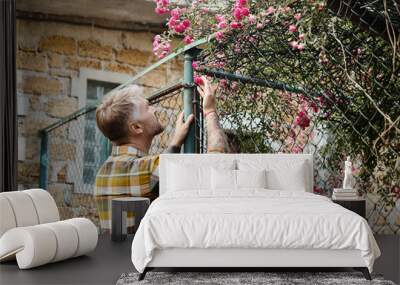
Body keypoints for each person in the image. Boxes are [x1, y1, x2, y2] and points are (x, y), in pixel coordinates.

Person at [94, 77, 229, 232]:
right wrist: (210, 111)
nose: (155, 109)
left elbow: (150, 177)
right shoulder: (146, 170)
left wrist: (175, 144)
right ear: (137, 127)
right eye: (148, 108)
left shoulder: (102, 173)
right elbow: (216, 164)